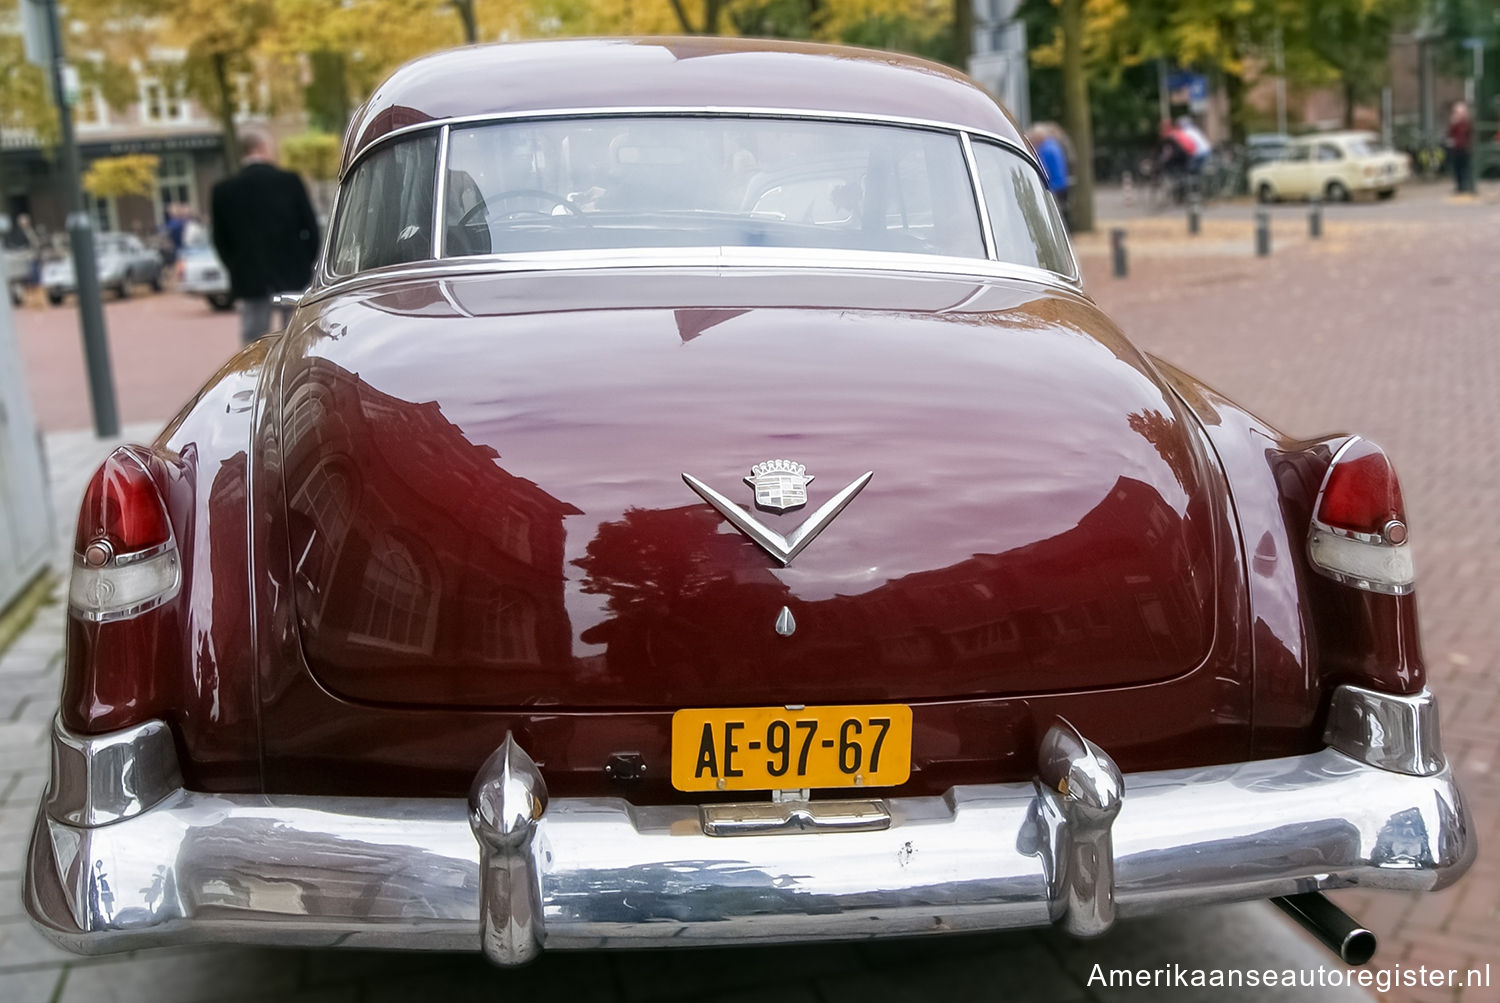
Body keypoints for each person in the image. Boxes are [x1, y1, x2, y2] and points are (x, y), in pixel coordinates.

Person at [211, 129, 319, 343]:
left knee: (253, 346)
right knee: (296, 342)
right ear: (262, 148)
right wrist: (306, 262)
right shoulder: (289, 182)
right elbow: (311, 228)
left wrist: (236, 266)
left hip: (250, 277)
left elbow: (220, 240)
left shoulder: (223, 190)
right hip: (293, 274)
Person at [1029, 124, 1071, 227]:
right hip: (1062, 184)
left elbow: (1042, 170)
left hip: (1054, 187)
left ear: (1039, 137)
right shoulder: (1054, 145)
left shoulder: (1045, 149)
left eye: (1034, 139)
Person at [1445, 101, 1474, 194]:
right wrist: (1453, 123)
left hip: (1464, 148)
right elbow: (1449, 134)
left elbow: (1469, 133)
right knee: (1456, 167)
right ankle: (1459, 186)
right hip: (1455, 148)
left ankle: (1465, 185)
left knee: (1464, 167)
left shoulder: (1466, 123)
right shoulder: (1454, 122)